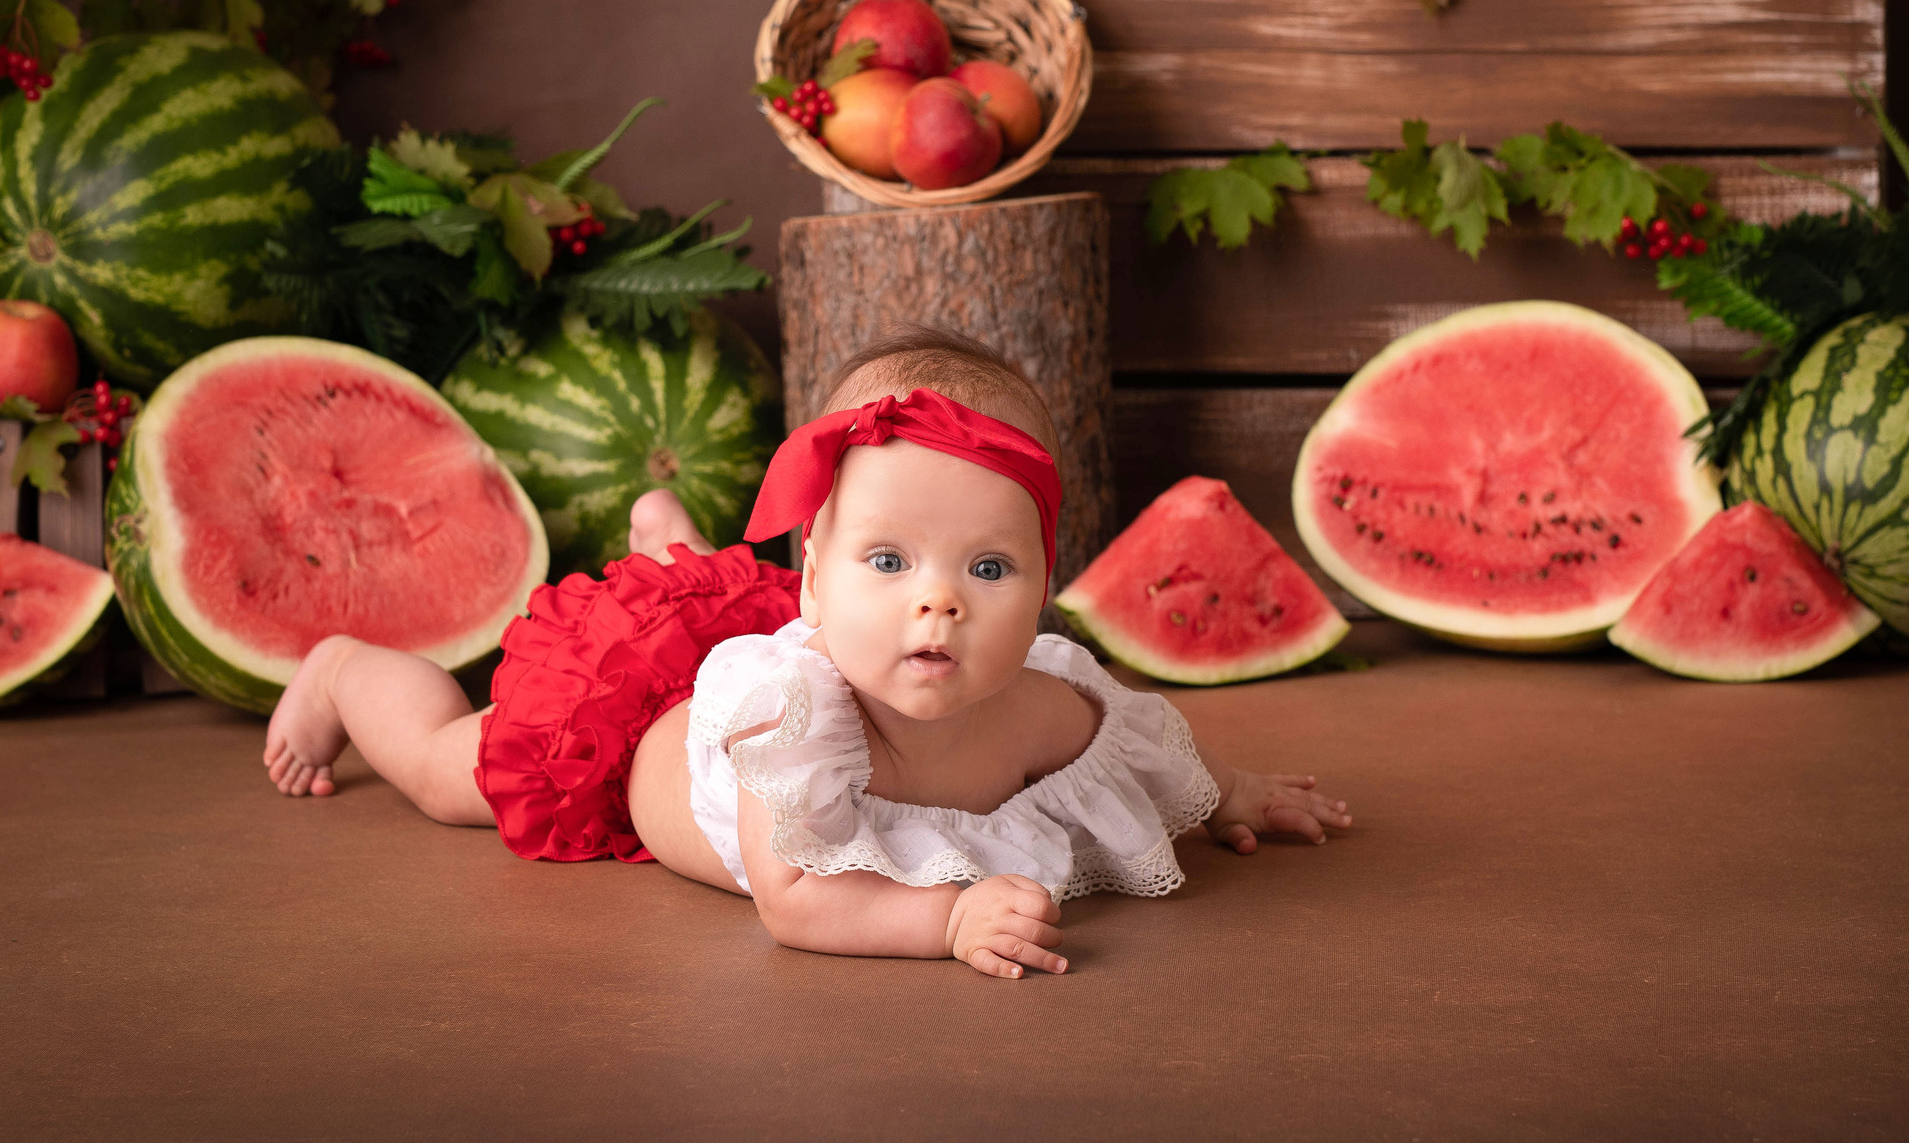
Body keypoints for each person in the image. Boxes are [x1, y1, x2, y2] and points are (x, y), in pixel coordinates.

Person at [263, 327, 1350, 977]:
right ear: (817, 576)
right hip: (625, 724)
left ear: (1043, 583)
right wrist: (945, 919)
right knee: (452, 771)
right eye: (889, 562)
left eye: (986, 570)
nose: (938, 606)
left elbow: (1145, 753)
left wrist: (1229, 795)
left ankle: (668, 541)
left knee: (725, 590)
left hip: (761, 634)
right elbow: (795, 903)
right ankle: (349, 672)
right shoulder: (792, 712)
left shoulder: (1046, 706)